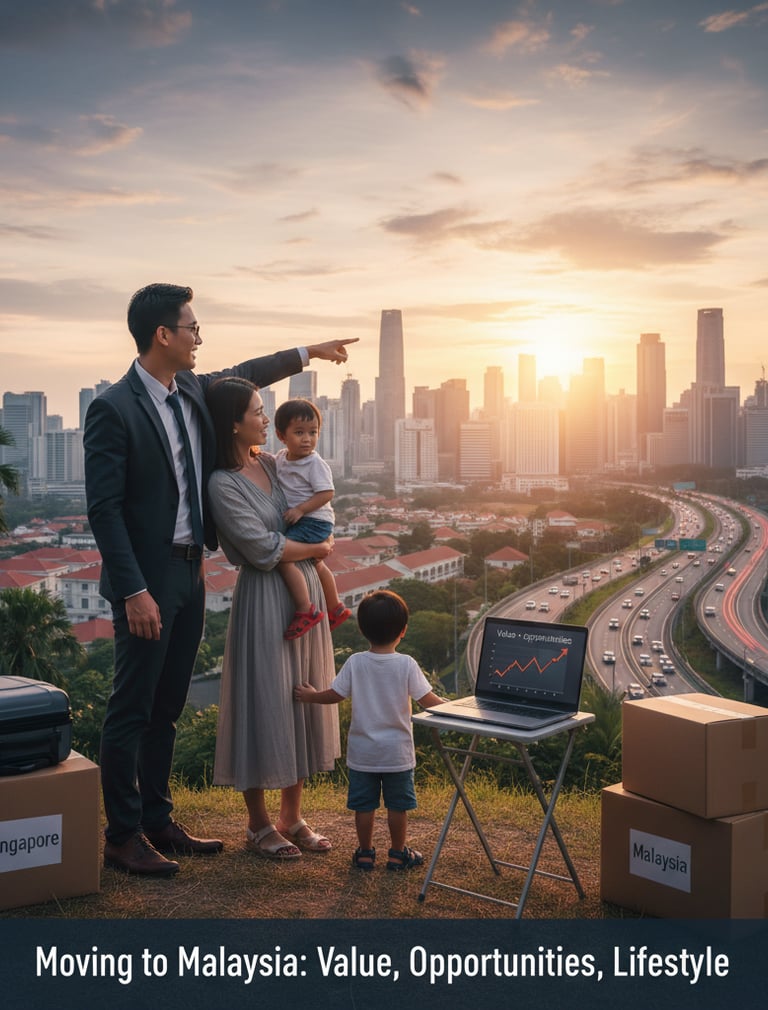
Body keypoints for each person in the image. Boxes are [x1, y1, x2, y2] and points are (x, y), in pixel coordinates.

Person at [84, 282, 356, 877]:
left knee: (169, 705)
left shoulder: (197, 393)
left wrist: (308, 352)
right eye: (192, 328)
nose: (200, 337)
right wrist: (132, 590)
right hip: (147, 580)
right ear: (164, 334)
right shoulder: (114, 407)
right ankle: (122, 834)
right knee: (131, 707)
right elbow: (103, 509)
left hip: (190, 571)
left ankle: (157, 820)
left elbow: (250, 373)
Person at [206, 376, 340, 860]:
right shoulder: (222, 483)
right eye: (258, 411)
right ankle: (259, 823)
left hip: (303, 593)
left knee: (299, 698)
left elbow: (314, 507)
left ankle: (293, 816)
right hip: (266, 596)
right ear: (233, 423)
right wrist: (319, 548)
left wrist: (313, 547)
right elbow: (261, 549)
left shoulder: (272, 461)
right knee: (264, 702)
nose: (267, 419)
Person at [294, 589, 443, 871]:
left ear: (363, 630)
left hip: (363, 754)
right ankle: (398, 855)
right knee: (398, 807)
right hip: (397, 754)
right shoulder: (406, 664)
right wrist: (456, 708)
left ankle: (364, 853)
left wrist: (311, 695)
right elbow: (428, 701)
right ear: (403, 631)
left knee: (365, 806)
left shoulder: (356, 662)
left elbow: (335, 695)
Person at [273, 397, 351, 639]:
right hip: (311, 520)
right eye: (299, 432)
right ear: (281, 435)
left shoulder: (314, 462)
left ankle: (306, 609)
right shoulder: (281, 458)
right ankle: (335, 606)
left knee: (284, 558)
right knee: (316, 562)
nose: (307, 438)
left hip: (314, 520)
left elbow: (327, 493)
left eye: (312, 432)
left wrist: (301, 510)